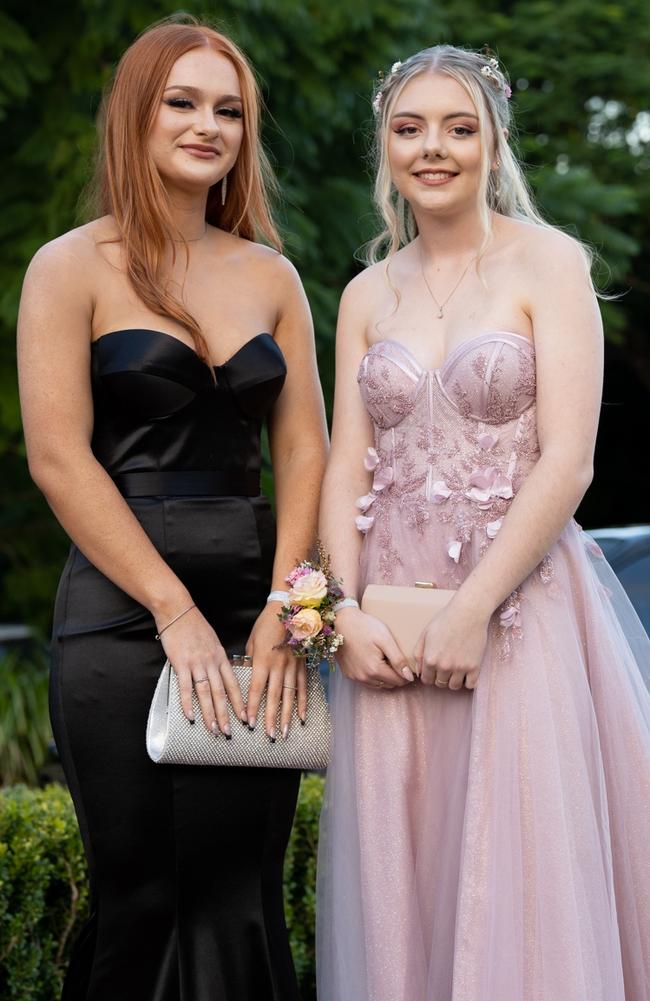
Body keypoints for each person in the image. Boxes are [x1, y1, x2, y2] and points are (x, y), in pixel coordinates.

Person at [317, 44, 650, 1001]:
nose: (434, 148)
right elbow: (347, 461)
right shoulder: (364, 294)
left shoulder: (549, 263)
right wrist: (342, 612)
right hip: (390, 626)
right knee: (402, 875)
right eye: (409, 128)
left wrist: (473, 610)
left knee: (521, 878)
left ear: (492, 142)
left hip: (516, 618)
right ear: (385, 145)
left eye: (459, 129)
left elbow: (569, 460)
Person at [17, 16, 327, 1001]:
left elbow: (305, 448)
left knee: (243, 894)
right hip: (119, 614)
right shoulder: (69, 266)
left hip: (254, 614)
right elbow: (59, 458)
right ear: (135, 117)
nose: (208, 125)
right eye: (182, 102)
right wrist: (173, 609)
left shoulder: (270, 275)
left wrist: (291, 609)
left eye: (228, 109)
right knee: (140, 895)